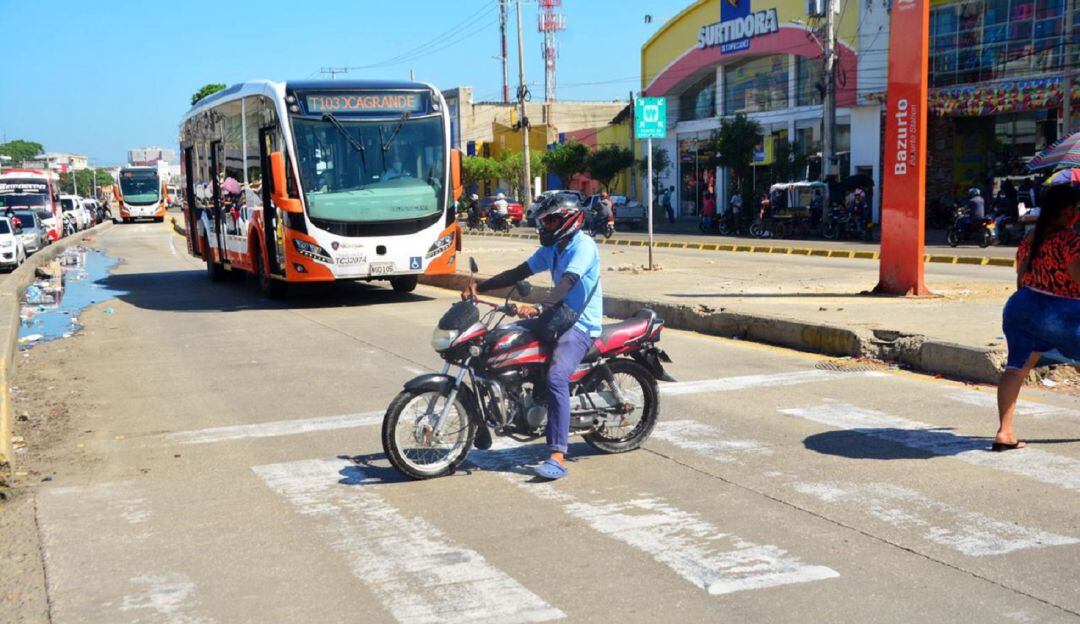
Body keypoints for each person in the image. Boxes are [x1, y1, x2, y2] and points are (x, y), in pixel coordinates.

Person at [461, 197, 602, 480]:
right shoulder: (552, 249)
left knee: (556, 378)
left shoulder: (583, 246)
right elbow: (518, 272)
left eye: (550, 220)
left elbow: (567, 283)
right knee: (497, 345)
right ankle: (491, 419)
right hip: (557, 317)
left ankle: (557, 455)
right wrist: (480, 286)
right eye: (543, 220)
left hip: (580, 324)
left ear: (567, 220)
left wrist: (539, 308)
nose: (544, 225)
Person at [995, 185, 1080, 451]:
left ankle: (1004, 432)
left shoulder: (1031, 237)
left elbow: (1021, 278)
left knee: (1016, 368)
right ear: (1068, 211)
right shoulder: (1070, 241)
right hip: (1061, 312)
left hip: (1021, 307)